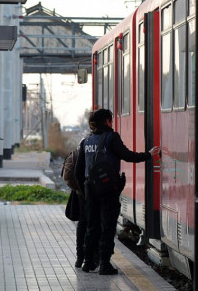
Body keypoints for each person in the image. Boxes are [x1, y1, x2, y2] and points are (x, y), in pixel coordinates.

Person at [75, 109, 160, 275]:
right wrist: (148, 155)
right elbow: (127, 155)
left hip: (89, 188)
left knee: (92, 226)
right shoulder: (111, 137)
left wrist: (84, 191)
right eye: (111, 120)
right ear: (107, 121)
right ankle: (105, 263)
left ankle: (88, 262)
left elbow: (78, 171)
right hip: (107, 190)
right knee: (107, 226)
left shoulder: (86, 141)